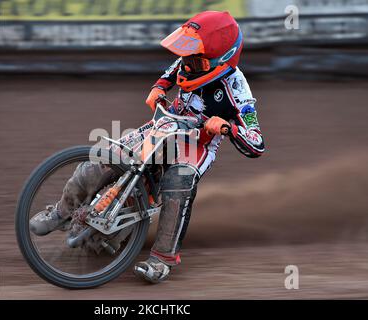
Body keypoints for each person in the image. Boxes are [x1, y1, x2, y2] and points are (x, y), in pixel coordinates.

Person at [30, 11, 265, 284]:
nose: (187, 64)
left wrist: (227, 127)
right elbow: (173, 70)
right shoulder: (189, 61)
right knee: (103, 159)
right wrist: (159, 87)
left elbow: (256, 142)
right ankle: (61, 211)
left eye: (195, 60)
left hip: (196, 144)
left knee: (178, 182)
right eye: (187, 56)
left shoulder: (238, 90)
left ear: (221, 60)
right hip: (164, 124)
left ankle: (162, 258)